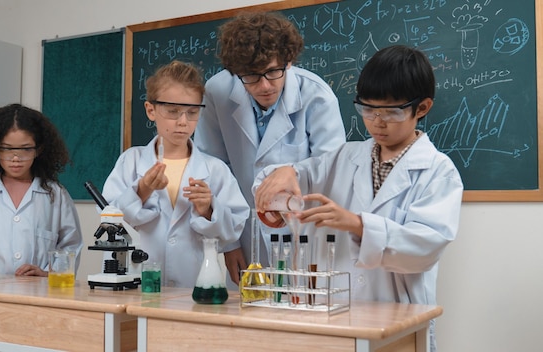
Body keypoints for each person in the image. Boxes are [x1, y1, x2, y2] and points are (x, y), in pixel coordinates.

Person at [254, 45, 463, 351]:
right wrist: (284, 176)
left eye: (391, 111)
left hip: (397, 319)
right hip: (336, 314)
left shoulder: (437, 172)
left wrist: (356, 224)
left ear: (422, 107)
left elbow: (425, 247)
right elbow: (278, 185)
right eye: (368, 109)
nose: (377, 122)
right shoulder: (344, 156)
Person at [194, 11, 346, 285]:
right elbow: (213, 169)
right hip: (243, 236)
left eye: (273, 72)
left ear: (288, 61)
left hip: (302, 238)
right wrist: (228, 243)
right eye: (251, 76)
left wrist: (294, 172)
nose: (264, 85)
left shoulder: (317, 97)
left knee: (301, 319)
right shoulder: (217, 92)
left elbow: (335, 171)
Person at [102, 60, 250, 289]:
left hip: (195, 287)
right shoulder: (130, 162)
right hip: (137, 284)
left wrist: (208, 209)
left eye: (192, 112)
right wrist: (141, 190)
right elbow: (109, 222)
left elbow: (232, 230)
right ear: (151, 110)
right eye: (172, 111)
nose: (183, 122)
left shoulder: (215, 169)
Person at [0, 103, 83, 277]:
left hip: (38, 294)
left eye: (25, 149)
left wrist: (49, 274)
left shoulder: (56, 195)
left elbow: (71, 246)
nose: (16, 158)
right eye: (7, 149)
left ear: (38, 150)